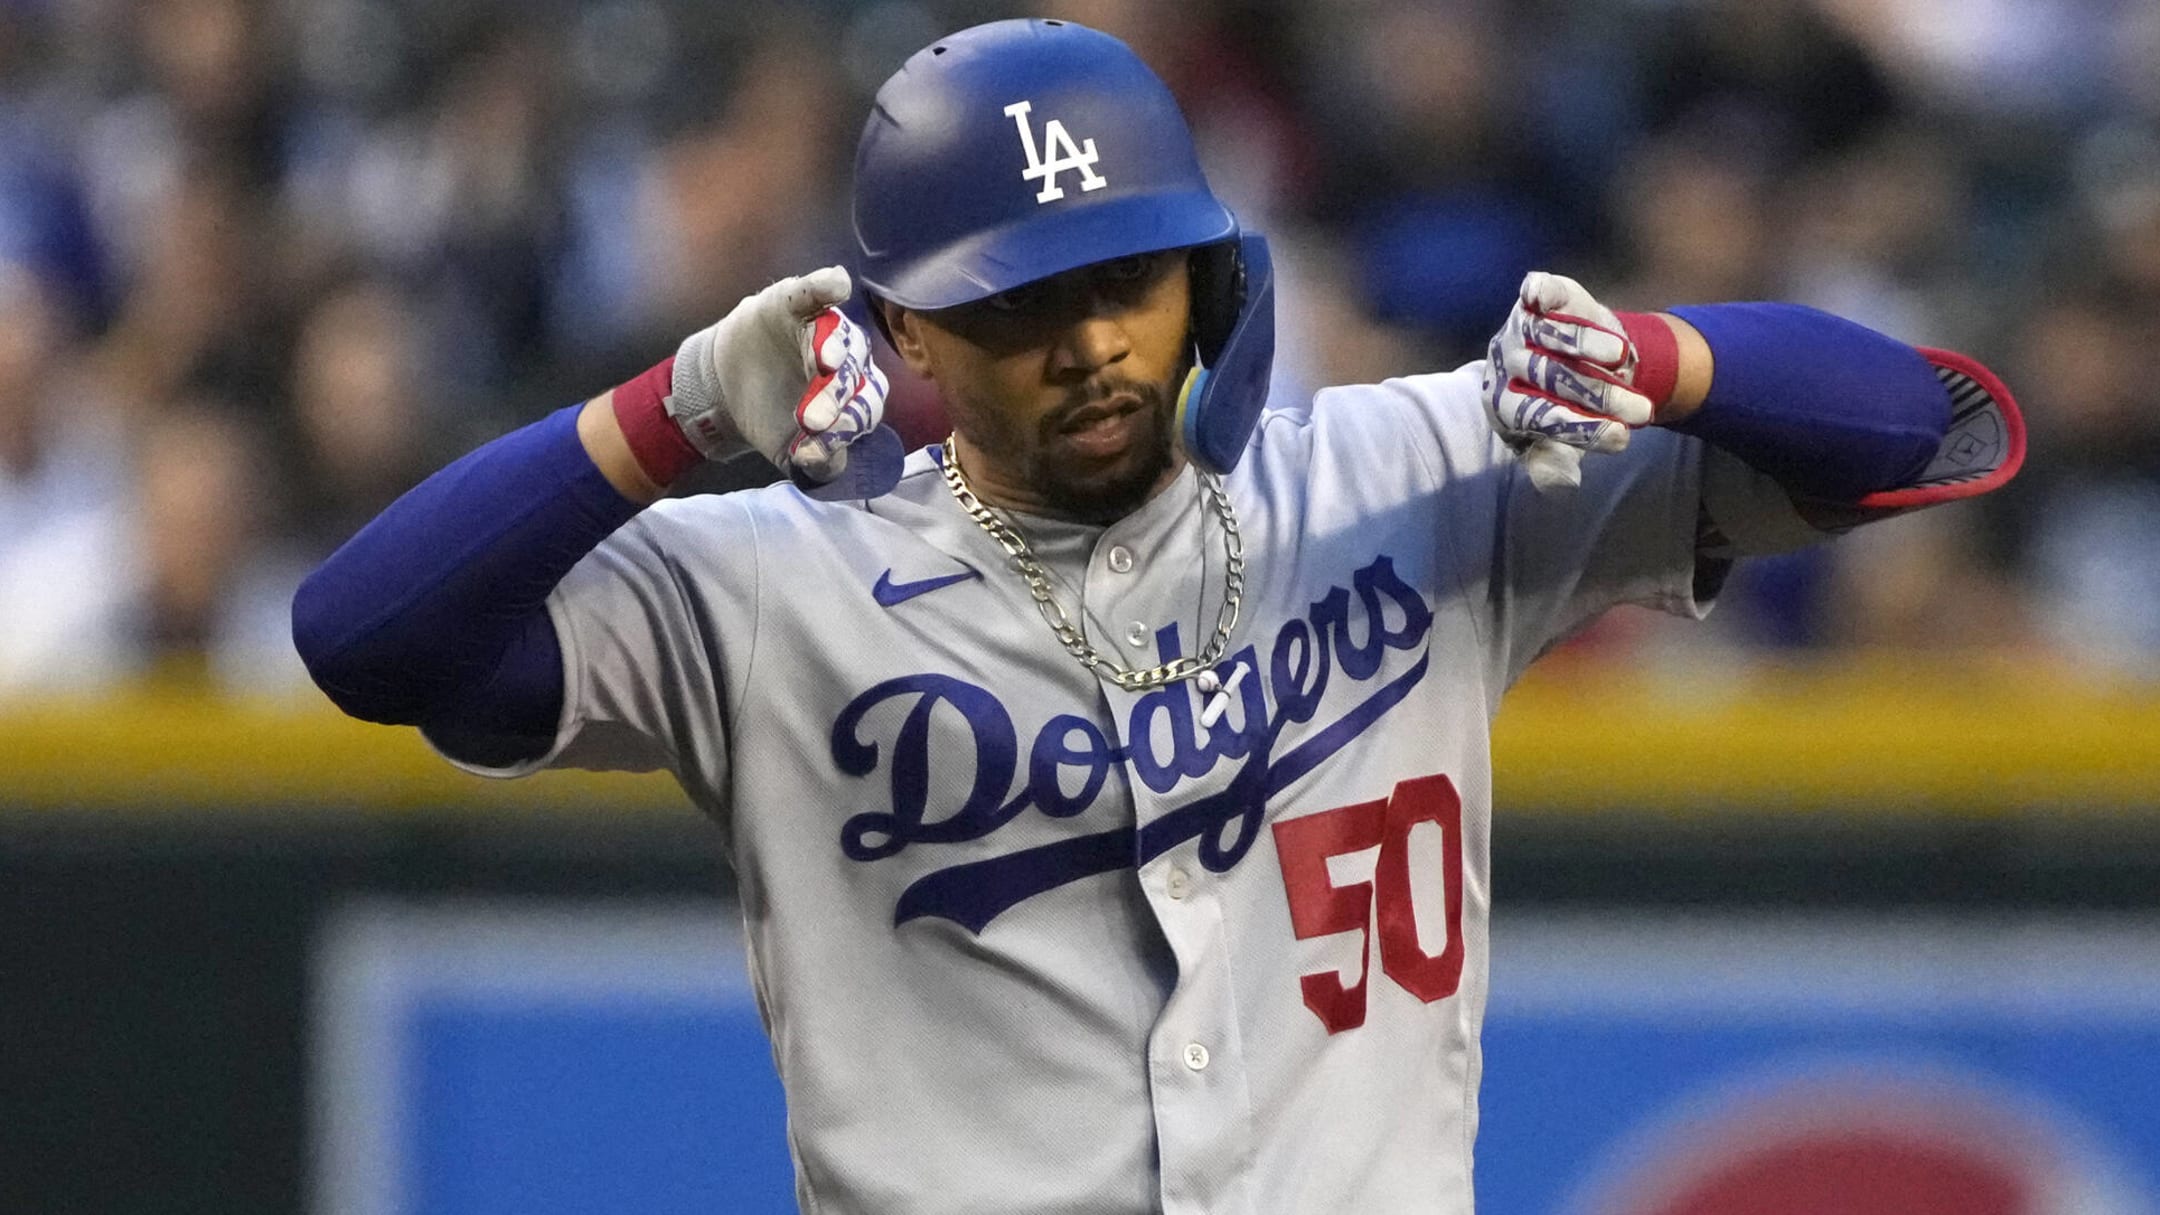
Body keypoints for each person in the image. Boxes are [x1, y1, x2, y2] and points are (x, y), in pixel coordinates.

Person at [292, 20, 2023, 1214]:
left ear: (1209, 273)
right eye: (1020, 304)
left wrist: (1667, 358)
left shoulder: (1414, 470)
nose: (1092, 342)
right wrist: (665, 415)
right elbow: (370, 643)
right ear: (908, 340)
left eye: (1128, 279)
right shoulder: (771, 585)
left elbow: (1928, 429)